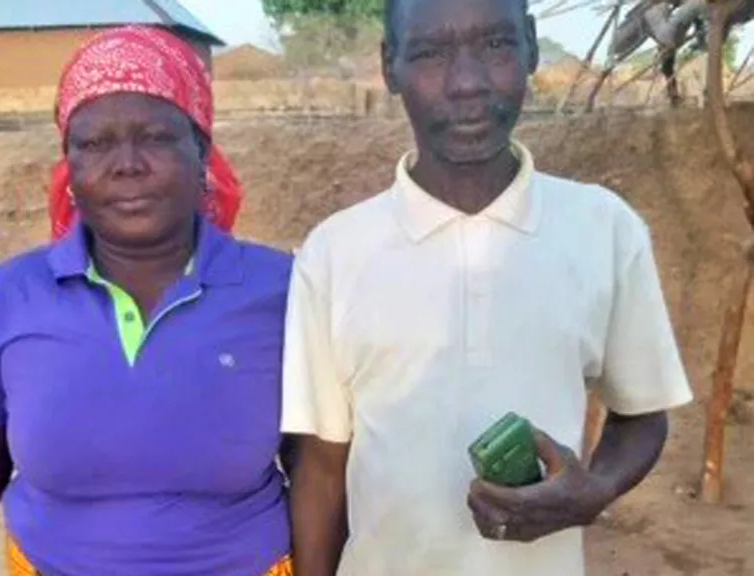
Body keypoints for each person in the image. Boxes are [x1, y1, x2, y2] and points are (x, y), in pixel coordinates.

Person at [281, 0, 694, 575]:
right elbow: (323, 465)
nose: (468, 82)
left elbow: (642, 412)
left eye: (496, 44)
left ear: (529, 46)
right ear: (389, 66)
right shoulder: (334, 253)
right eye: (429, 53)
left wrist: (593, 490)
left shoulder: (604, 229)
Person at [0, 26, 293, 576]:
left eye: (157, 137)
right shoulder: (5, 298)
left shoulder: (281, 291)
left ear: (202, 149)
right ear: (69, 165)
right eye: (93, 143)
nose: (127, 163)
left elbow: (320, 476)